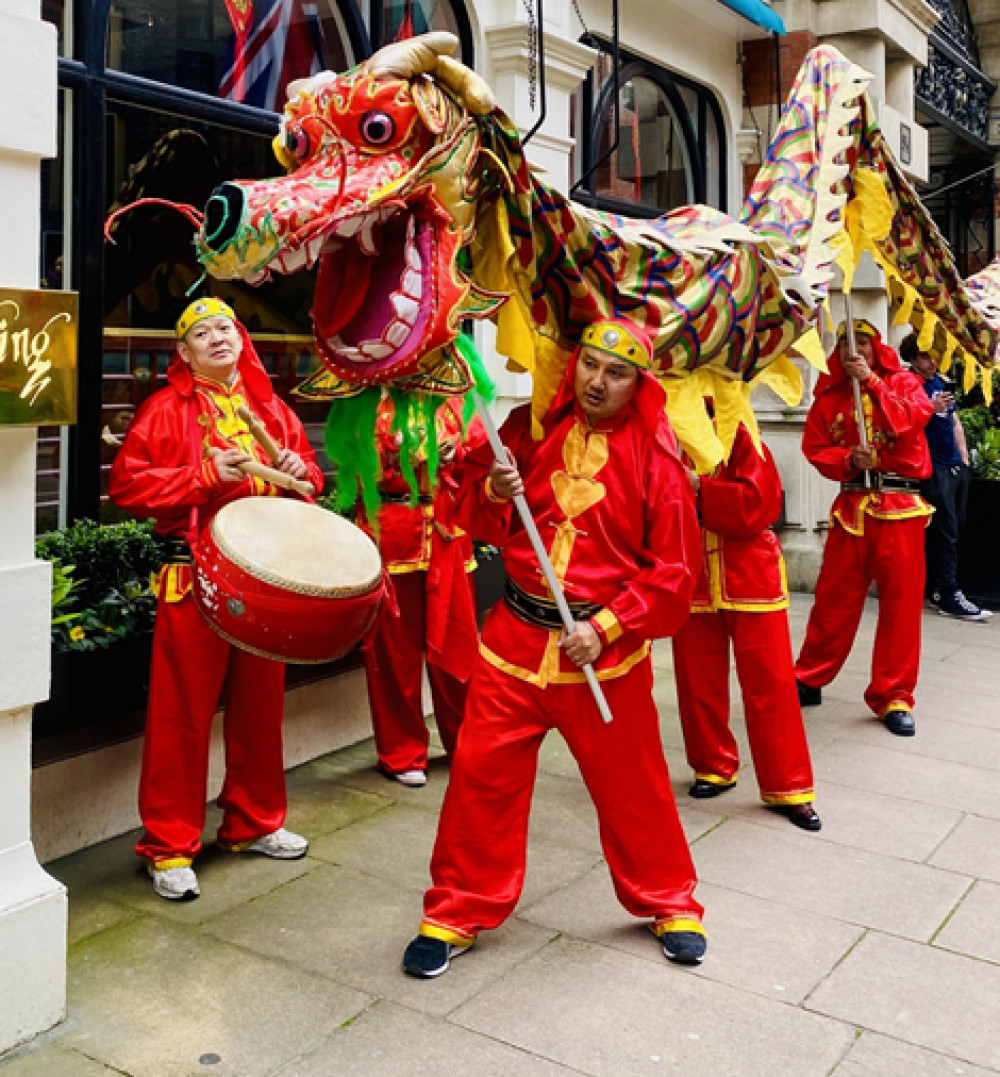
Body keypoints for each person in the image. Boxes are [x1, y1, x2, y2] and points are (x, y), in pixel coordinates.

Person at [401, 318, 708, 979]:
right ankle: (456, 907)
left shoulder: (659, 462)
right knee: (479, 781)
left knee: (636, 788)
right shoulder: (527, 430)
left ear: (639, 382)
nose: (598, 380)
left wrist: (607, 625)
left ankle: (668, 898)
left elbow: (675, 573)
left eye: (616, 371)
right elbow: (470, 513)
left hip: (602, 654)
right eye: (590, 364)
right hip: (512, 643)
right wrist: (491, 490)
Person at [109, 297, 325, 901]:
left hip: (264, 582)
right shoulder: (163, 410)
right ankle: (170, 845)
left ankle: (253, 823)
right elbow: (127, 485)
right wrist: (206, 476)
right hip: (195, 578)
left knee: (262, 708)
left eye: (225, 328)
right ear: (184, 353)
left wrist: (298, 468)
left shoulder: (270, 408)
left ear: (242, 338)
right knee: (180, 716)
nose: (217, 338)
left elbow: (309, 478)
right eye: (201, 333)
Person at [673, 419, 821, 830]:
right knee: (696, 679)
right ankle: (711, 764)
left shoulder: (737, 431)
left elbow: (760, 503)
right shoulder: (658, 432)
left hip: (749, 572)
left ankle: (789, 785)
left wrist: (701, 488)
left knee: (771, 683)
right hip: (689, 570)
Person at [795, 319, 933, 737]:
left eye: (864, 344)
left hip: (901, 506)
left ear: (877, 348)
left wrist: (871, 381)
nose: (855, 351)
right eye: (845, 344)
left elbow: (910, 420)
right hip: (852, 507)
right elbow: (815, 446)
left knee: (901, 607)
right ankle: (810, 675)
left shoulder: (905, 383)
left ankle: (893, 695)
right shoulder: (830, 398)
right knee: (832, 599)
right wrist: (847, 460)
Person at [358, 392, 483, 787]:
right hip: (392, 531)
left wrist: (457, 454)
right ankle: (400, 751)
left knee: (457, 640)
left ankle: (467, 741)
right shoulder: (370, 400)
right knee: (394, 649)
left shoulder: (456, 398)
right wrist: (397, 458)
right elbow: (354, 464)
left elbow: (481, 455)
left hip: (447, 531)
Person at [899, 332, 991, 623]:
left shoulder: (939, 382)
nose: (932, 361)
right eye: (925, 356)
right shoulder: (909, 384)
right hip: (932, 469)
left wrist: (963, 460)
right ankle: (947, 592)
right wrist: (931, 408)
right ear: (912, 358)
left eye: (935, 355)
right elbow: (902, 421)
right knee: (944, 532)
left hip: (953, 467)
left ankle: (939, 588)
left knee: (954, 528)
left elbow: (953, 419)